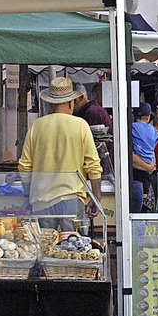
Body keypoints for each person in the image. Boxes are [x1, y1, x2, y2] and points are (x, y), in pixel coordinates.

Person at [18, 77, 102, 230]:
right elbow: (93, 166)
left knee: (45, 247)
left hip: (41, 200)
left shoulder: (37, 126)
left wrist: (28, 194)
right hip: (71, 198)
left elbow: (24, 167)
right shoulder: (80, 125)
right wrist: (96, 197)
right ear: (72, 102)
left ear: (50, 103)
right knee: (72, 248)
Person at [131, 102, 158, 213]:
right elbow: (155, 144)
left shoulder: (132, 127)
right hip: (149, 164)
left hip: (137, 166)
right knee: (145, 188)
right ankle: (144, 201)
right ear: (148, 118)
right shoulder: (152, 130)